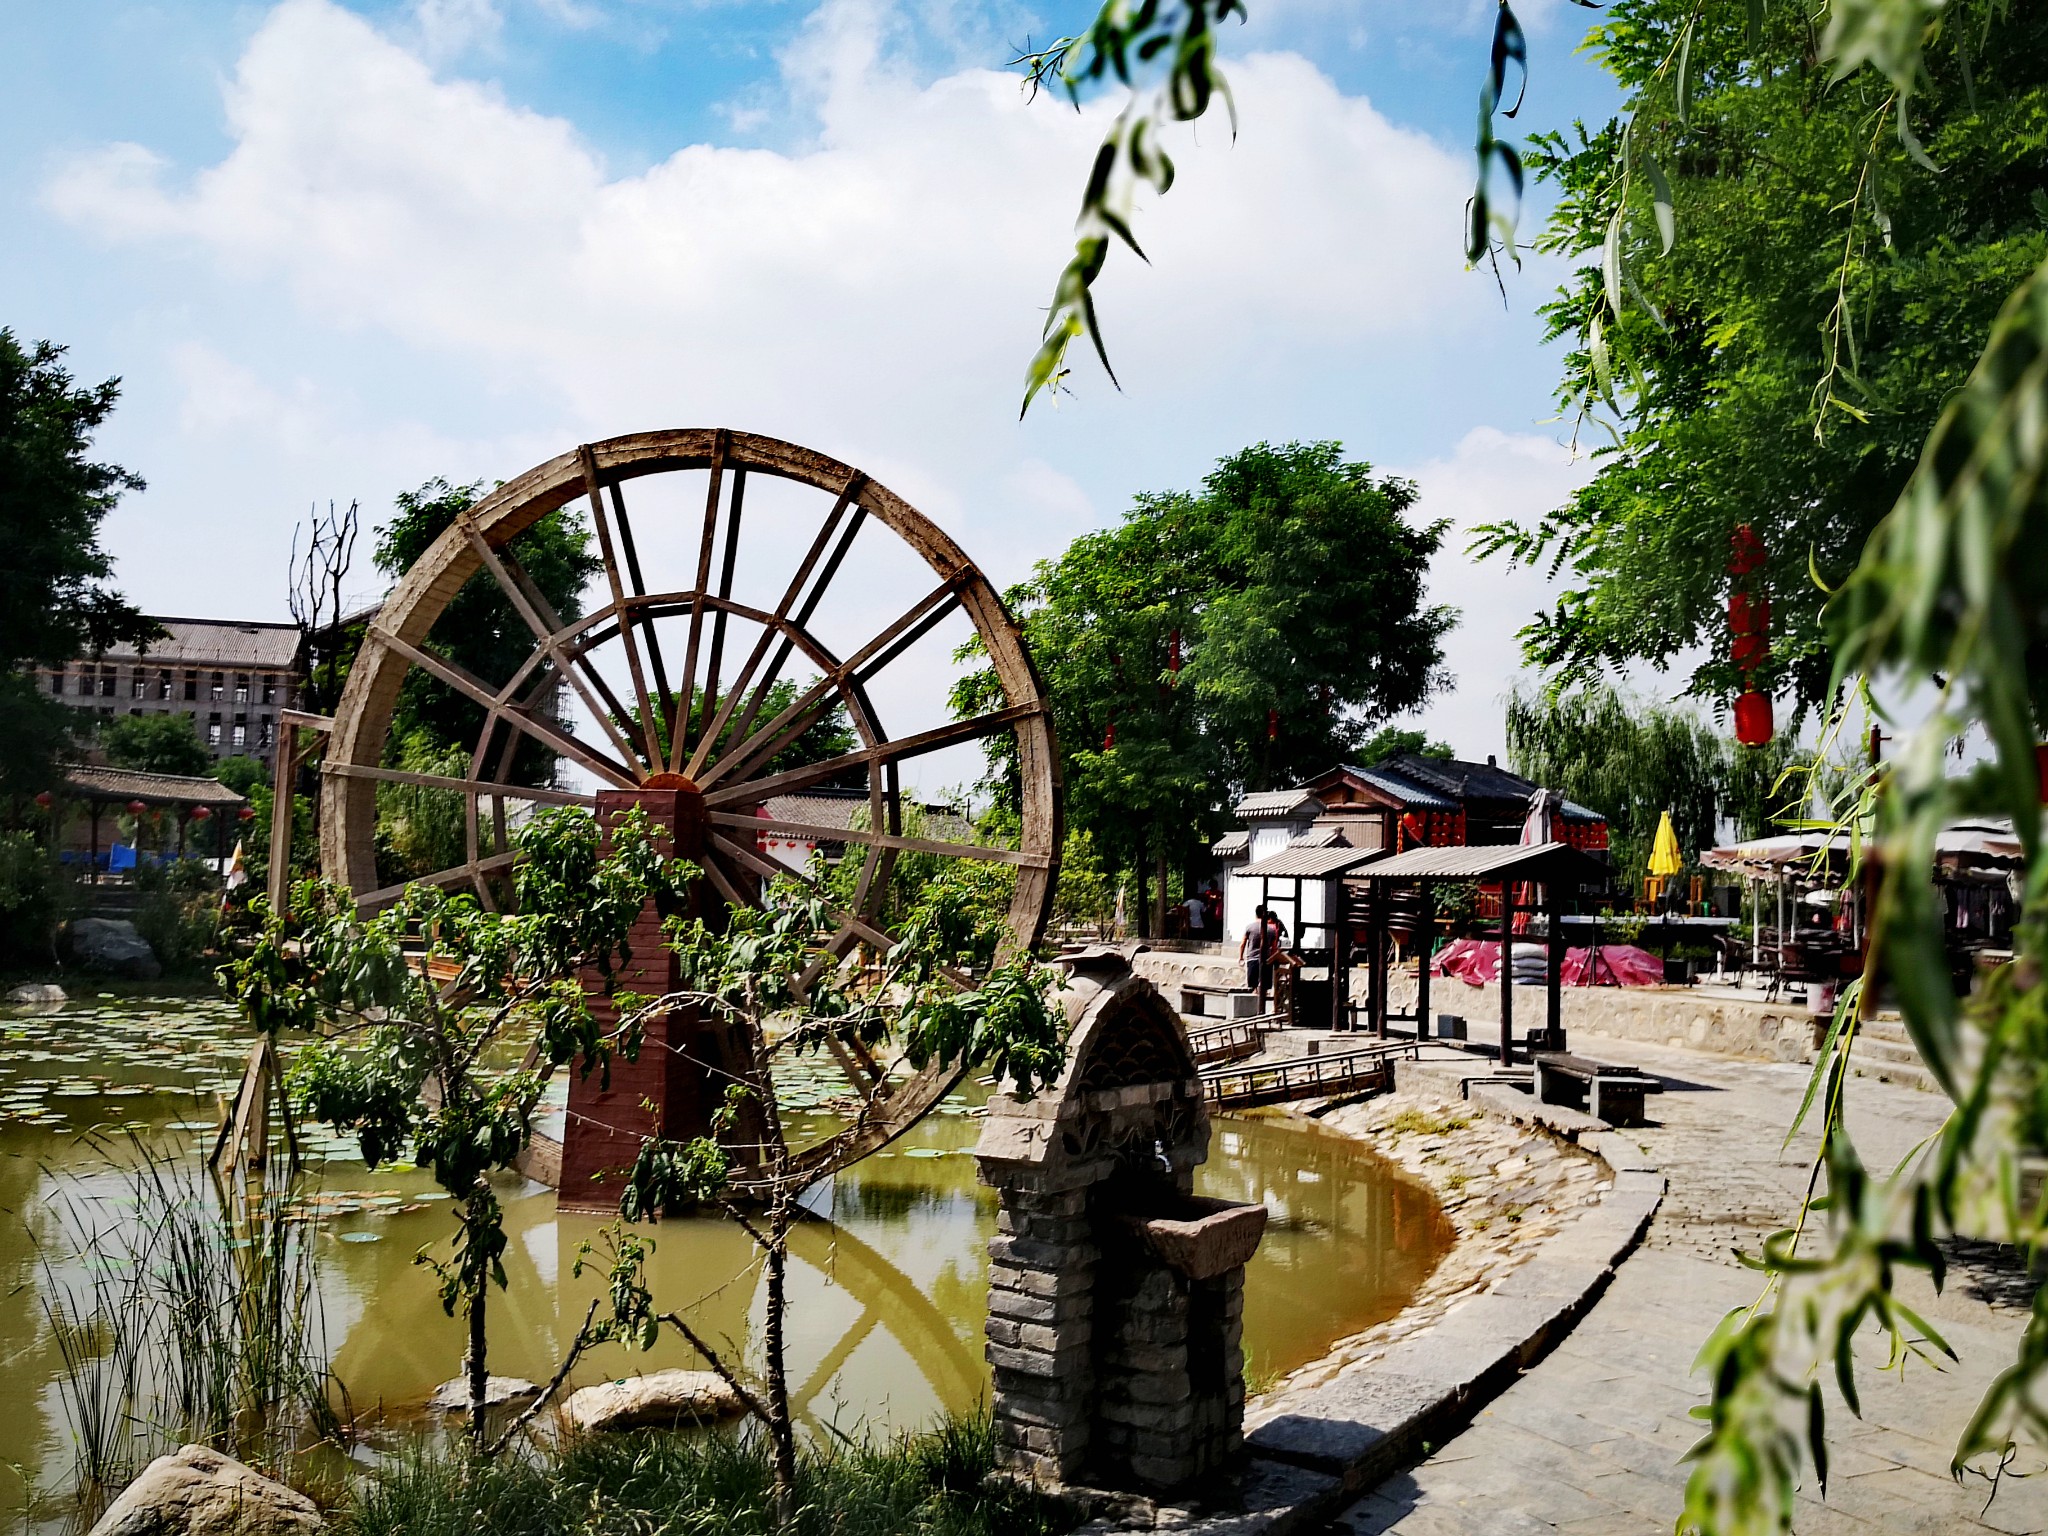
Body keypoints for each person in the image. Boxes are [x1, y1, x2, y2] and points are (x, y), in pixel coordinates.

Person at [1241, 905, 1270, 1004]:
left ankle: (1253, 1008)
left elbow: (1243, 943)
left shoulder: (1249, 927)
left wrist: (1240, 957)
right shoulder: (1271, 929)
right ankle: (1263, 1008)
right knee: (1264, 987)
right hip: (1266, 959)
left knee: (1253, 987)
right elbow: (1274, 947)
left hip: (1252, 958)